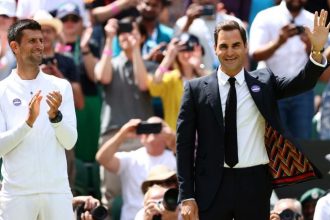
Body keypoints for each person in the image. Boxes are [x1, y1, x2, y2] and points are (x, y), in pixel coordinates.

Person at [176, 10, 329, 220]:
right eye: (224, 46)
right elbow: (183, 145)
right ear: (215, 49)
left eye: (236, 45)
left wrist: (318, 51)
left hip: (255, 183)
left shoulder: (264, 81)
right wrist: (186, 196)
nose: (230, 52)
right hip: (211, 185)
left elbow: (303, 82)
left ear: (245, 47)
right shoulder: (195, 89)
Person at [0, 19, 77, 219]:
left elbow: (70, 142)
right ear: (14, 46)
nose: (40, 46)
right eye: (32, 41)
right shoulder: (1, 91)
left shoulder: (61, 86)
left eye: (41, 40)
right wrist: (27, 123)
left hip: (57, 192)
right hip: (16, 195)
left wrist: (55, 117)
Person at [249, 0, 316, 139]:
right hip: (273, 90)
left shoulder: (312, 19)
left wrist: (310, 46)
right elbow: (254, 54)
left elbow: (320, 60)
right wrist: (278, 41)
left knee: (303, 145)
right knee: (274, 143)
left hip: (302, 92)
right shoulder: (265, 16)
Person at [96, 117, 176, 220]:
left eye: (156, 128)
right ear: (141, 136)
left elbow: (196, 167)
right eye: (146, 128)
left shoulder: (175, 157)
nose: (151, 132)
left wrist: (174, 140)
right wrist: (122, 134)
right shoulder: (131, 158)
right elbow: (102, 159)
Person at [147, 33, 207, 130]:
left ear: (199, 50)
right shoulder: (171, 78)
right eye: (182, 50)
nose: (186, 54)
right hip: (177, 138)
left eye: (190, 49)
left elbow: (216, 95)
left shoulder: (206, 76)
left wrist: (199, 68)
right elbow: (154, 89)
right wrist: (169, 57)